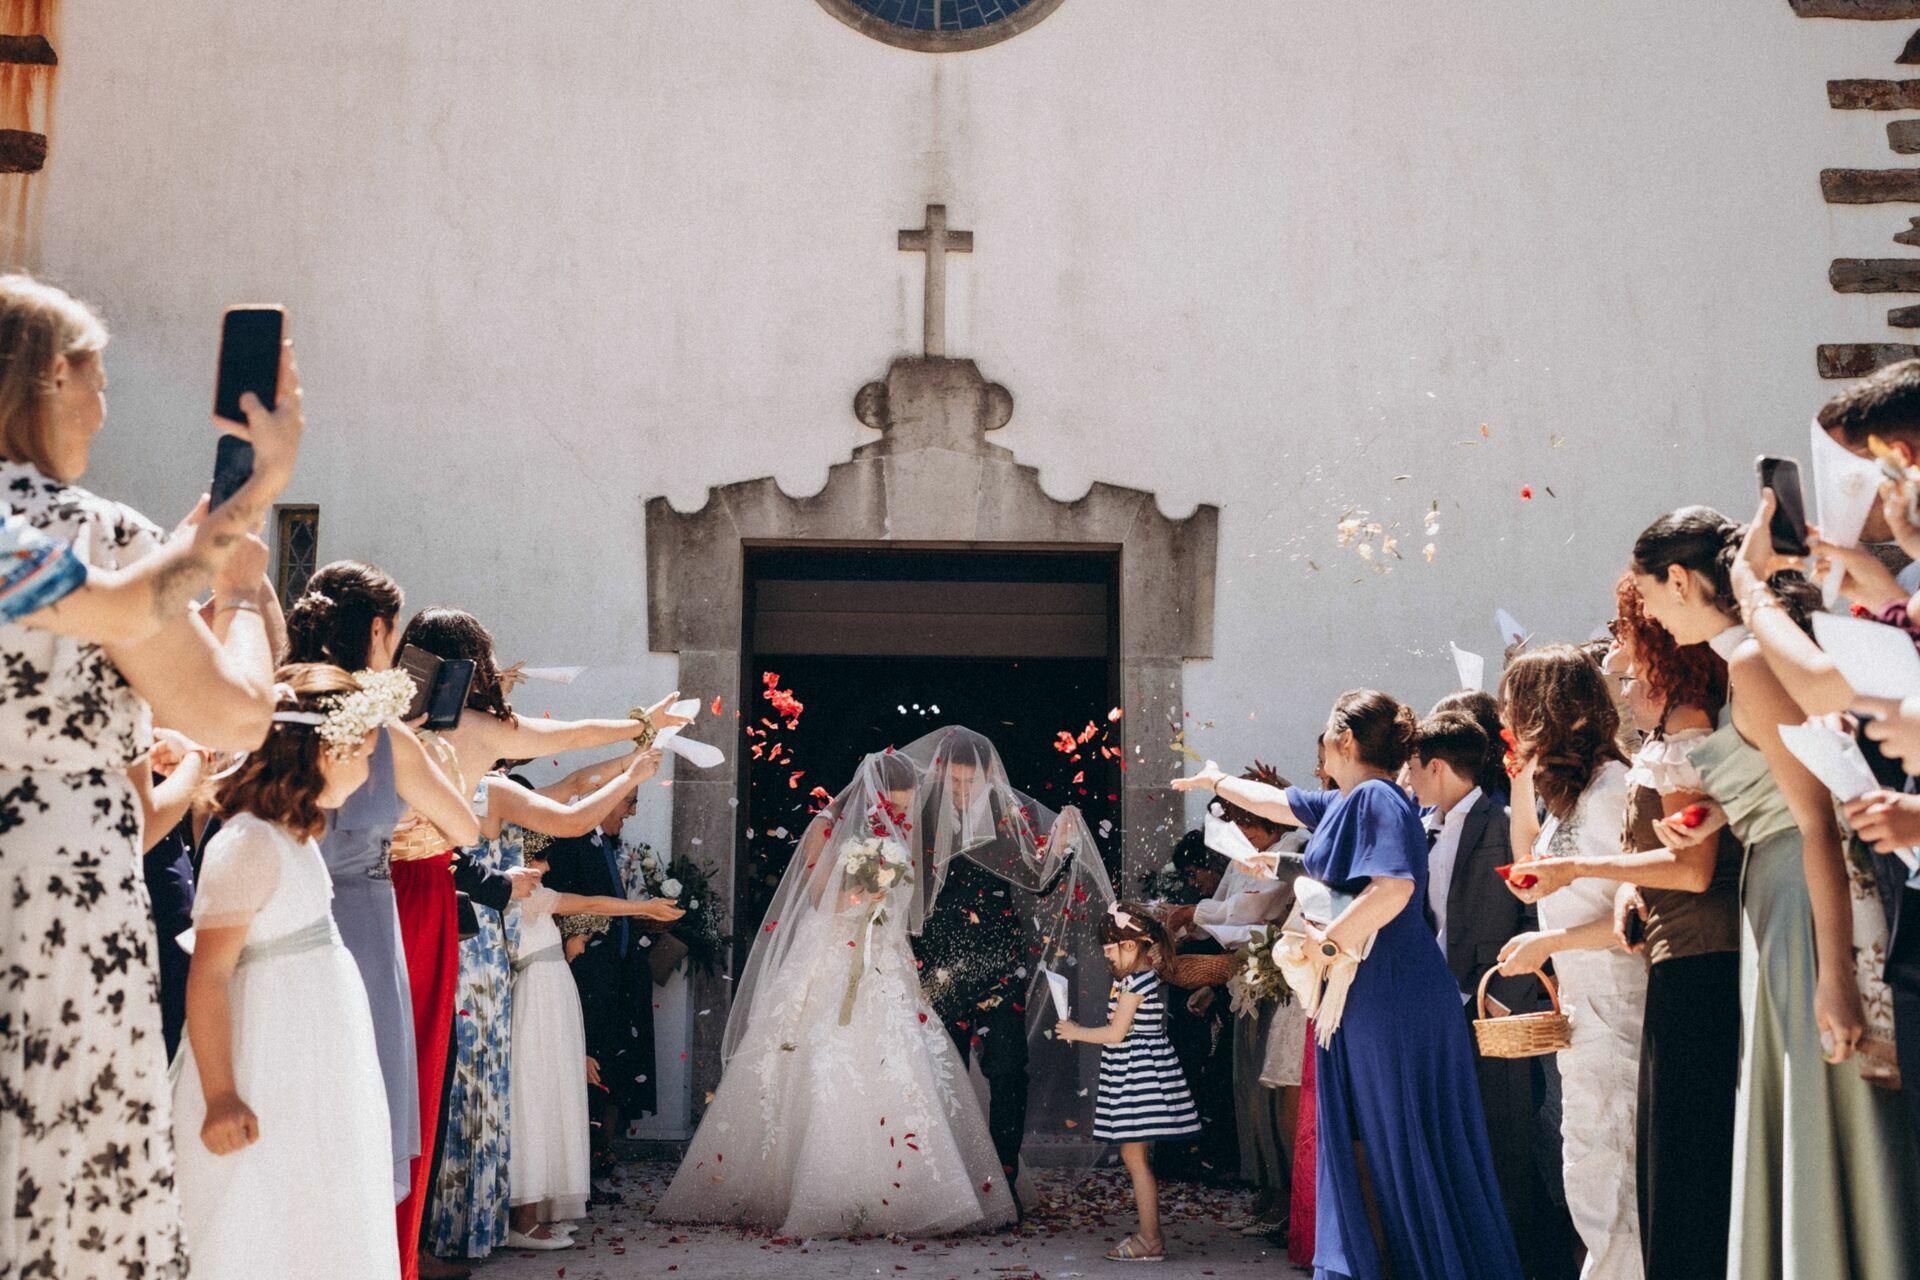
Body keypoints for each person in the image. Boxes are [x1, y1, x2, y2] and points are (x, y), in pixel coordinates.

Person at [0, 274, 306, 1280]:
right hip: (53, 894)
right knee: (64, 1166)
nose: (102, 403)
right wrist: (249, 574)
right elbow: (229, 710)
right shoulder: (87, 529)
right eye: (95, 377)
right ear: (51, 375)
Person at [1630, 506, 1920, 1278]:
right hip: (1780, 892)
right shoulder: (1747, 662)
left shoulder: (1753, 664)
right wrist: (1722, 810)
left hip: (1803, 903)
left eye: (1650, 594)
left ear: (1683, 581)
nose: (1650, 612)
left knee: (1823, 1108)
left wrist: (1834, 980)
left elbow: (1818, 822)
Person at [1175, 689, 1522, 1280]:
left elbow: (1395, 889)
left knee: (1398, 1138)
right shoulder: (1346, 801)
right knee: (1369, 1137)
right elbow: (1280, 803)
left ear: (1347, 739)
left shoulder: (1377, 798)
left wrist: (1327, 942)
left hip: (1392, 990)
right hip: (1363, 993)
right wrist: (1217, 781)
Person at [654, 749, 1018, 1237]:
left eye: (907, 808)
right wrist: (861, 891)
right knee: (822, 1057)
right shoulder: (824, 828)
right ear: (876, 796)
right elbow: (820, 892)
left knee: (899, 1062)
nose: (905, 816)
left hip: (883, 954)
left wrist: (884, 891)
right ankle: (818, 1186)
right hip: (833, 951)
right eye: (899, 806)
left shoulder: (898, 832)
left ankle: (909, 1187)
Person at [170, 665, 407, 1280]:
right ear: (327, 750)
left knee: (312, 1207)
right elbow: (211, 974)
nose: (368, 773)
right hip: (266, 1061)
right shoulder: (247, 843)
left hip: (310, 1063)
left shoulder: (293, 838)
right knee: (257, 1207)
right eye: (365, 756)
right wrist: (221, 1094)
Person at [284, 561, 481, 1205]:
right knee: (360, 1110)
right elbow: (465, 827)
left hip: (279, 916)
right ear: (376, 629)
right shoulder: (386, 733)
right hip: (365, 926)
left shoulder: (277, 705)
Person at [1498, 646, 1646, 1280]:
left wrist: (1549, 945)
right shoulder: (1569, 794)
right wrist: (1519, 781)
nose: (1506, 715)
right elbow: (1529, 870)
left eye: (1514, 702)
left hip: (1618, 1000)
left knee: (1614, 1163)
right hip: (1580, 1007)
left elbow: (1637, 922)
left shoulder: (1616, 788)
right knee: (1584, 1160)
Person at [1404, 709, 1538, 1274]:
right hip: (1433, 1008)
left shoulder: (1503, 820)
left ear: (1437, 766)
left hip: (1489, 1005)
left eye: (1413, 768)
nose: (1408, 780)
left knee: (1506, 1143)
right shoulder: (1420, 824)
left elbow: (1533, 912)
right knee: (1446, 1143)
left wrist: (1506, 996)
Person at [505, 840, 683, 1249]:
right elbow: (589, 905)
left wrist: (640, 910)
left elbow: (587, 906)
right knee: (537, 1099)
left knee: (554, 1100)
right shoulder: (525, 900)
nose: (545, 867)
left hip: (554, 1000)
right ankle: (524, 1218)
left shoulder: (537, 898)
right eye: (537, 860)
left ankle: (542, 1212)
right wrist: (643, 908)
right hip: (538, 1003)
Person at [1161, 763, 1302, 1241]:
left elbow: (1252, 911)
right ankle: (1265, 1195)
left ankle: (1285, 1200)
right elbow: (1224, 908)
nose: (1239, 830)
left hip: (1276, 983)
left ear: (1272, 819)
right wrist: (1190, 927)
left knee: (1269, 1098)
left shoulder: (1291, 850)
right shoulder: (1249, 854)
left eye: (1246, 820)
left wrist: (1190, 914)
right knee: (1247, 1093)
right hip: (1243, 979)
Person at [1056, 903, 1202, 1263]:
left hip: (1139, 1074)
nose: (1110, 956)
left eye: (1115, 948)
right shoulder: (1134, 978)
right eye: (1107, 949)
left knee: (1134, 1157)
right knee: (1133, 1155)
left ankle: (1150, 1239)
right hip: (1134, 1070)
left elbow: (1117, 1033)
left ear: (1136, 945)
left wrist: (1077, 1032)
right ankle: (1149, 1234)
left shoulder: (1136, 981)